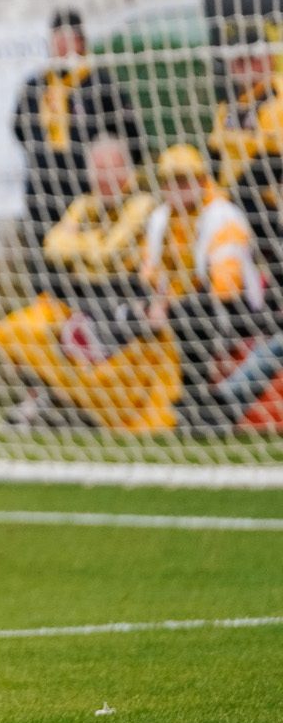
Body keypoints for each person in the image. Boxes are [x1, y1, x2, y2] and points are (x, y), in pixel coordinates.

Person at [0, 136, 172, 432]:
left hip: (124, 300)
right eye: (97, 171)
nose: (103, 178)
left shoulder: (142, 204)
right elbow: (52, 245)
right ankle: (47, 400)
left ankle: (67, 406)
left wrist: (82, 246)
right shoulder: (84, 204)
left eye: (110, 170)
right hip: (83, 298)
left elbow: (112, 252)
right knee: (19, 330)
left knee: (90, 336)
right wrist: (93, 244)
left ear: (127, 170)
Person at [143, 144, 265, 433]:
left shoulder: (223, 215)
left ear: (201, 181)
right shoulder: (160, 218)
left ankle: (198, 398)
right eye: (169, 182)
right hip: (183, 303)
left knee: (191, 314)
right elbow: (151, 272)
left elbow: (225, 284)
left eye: (184, 181)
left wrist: (169, 306)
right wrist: (158, 302)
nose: (176, 189)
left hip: (238, 308)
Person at [13, 9, 141, 252]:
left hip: (86, 186)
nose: (60, 47)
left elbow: (129, 134)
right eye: (56, 40)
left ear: (81, 43)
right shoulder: (36, 85)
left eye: (67, 40)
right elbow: (19, 128)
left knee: (86, 246)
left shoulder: (99, 83)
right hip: (44, 186)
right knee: (43, 248)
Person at [207, 23, 283, 275]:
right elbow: (214, 156)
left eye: (252, 59)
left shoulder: (277, 96)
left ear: (269, 59)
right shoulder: (228, 107)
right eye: (238, 61)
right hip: (235, 202)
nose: (244, 67)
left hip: (268, 204)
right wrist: (214, 198)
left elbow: (272, 161)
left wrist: (229, 199)